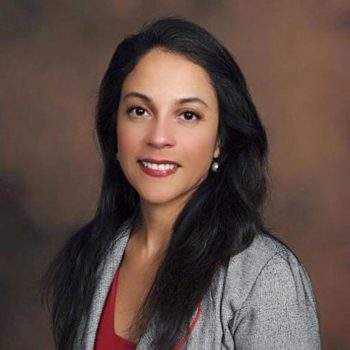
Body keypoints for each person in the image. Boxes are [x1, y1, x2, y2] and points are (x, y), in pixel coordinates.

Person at [41, 16, 321, 350]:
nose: (158, 138)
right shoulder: (90, 256)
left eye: (188, 115)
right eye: (139, 111)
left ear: (221, 139)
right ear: (113, 127)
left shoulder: (266, 278)